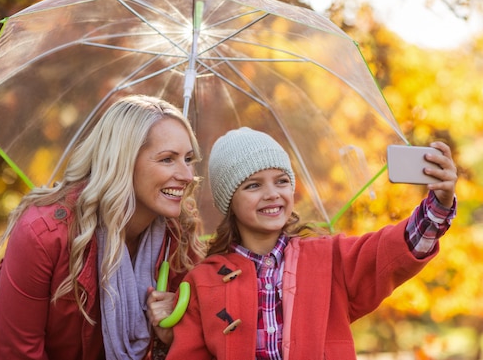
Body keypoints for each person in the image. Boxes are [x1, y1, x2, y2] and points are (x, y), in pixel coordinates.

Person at [165, 127, 458, 360]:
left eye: (281, 181)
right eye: (253, 185)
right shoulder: (202, 282)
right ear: (229, 201)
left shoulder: (329, 259)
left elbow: (393, 249)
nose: (272, 194)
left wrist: (439, 205)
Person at [0, 95, 206, 360]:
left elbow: (195, 346)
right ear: (121, 160)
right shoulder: (43, 232)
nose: (187, 175)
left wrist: (171, 335)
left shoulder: (179, 230)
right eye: (168, 159)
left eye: (188, 159)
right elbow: (19, 353)